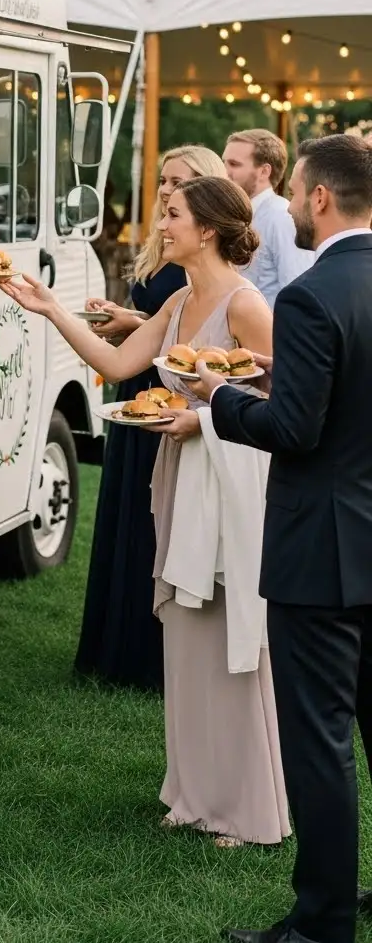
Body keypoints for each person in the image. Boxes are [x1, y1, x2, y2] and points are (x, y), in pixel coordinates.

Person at [0, 177, 290, 847]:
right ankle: (194, 794)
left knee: (231, 638)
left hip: (232, 485)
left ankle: (248, 811)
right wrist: (50, 309)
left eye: (173, 214)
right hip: (182, 478)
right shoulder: (180, 299)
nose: (162, 223)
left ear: (208, 229)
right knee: (188, 637)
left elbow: (288, 404)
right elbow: (117, 358)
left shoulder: (246, 304)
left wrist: (202, 421)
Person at [197, 135, 372, 943]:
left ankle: (323, 922)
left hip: (321, 556)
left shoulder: (310, 294)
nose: (295, 205)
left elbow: (294, 432)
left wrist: (218, 396)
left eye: (299, 192)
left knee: (319, 741)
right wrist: (283, 380)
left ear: (321, 198)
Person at [75, 145, 227, 693]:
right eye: (163, 181)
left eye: (178, 183)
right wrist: (128, 320)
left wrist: (134, 326)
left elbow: (204, 335)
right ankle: (116, 645)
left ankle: (153, 652)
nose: (165, 191)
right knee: (126, 511)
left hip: (177, 395)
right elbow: (164, 321)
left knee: (156, 520)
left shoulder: (217, 271)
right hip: (139, 386)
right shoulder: (163, 246)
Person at [223, 128, 312, 305]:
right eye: (223, 162)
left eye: (234, 164)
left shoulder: (283, 217)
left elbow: (298, 288)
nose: (224, 171)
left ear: (264, 171)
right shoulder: (230, 215)